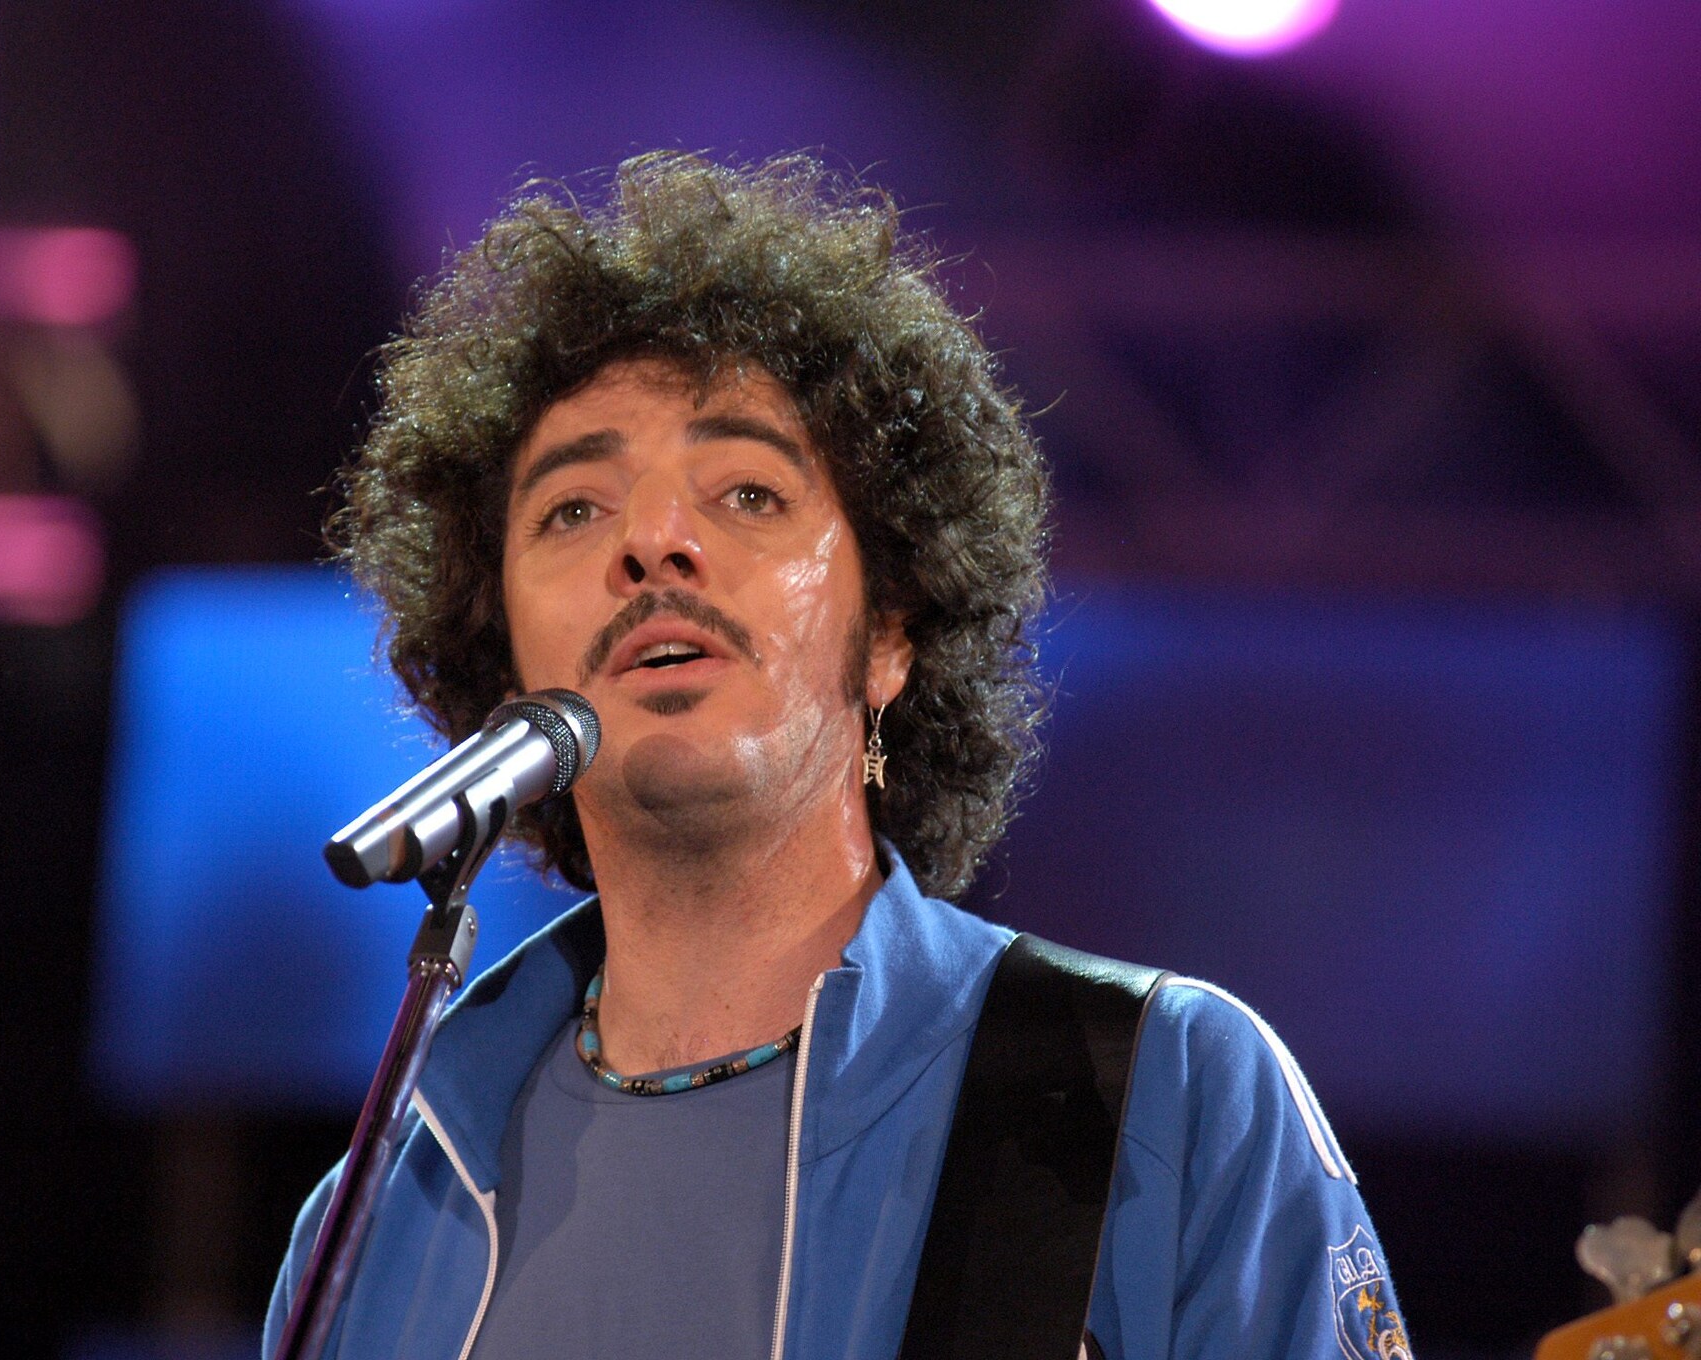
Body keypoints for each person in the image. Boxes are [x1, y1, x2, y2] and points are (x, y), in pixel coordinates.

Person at [266, 153, 1410, 1360]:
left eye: (748, 493)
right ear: (502, 662)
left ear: (888, 635)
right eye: (572, 508)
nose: (652, 540)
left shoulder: (1154, 1090)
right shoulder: (375, 1220)